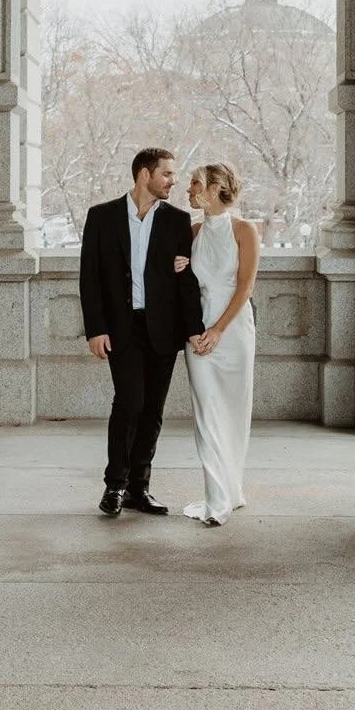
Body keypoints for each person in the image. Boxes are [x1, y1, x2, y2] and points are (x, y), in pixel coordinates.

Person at [78, 147, 204, 517]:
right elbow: (90, 278)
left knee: (152, 411)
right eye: (166, 174)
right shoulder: (101, 217)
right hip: (122, 328)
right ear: (144, 174)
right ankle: (114, 485)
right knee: (129, 403)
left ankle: (139, 488)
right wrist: (95, 329)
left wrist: (194, 330)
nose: (172, 181)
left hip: (163, 329)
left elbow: (186, 284)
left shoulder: (177, 220)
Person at [183, 163, 259, 526]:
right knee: (205, 414)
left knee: (233, 412)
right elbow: (178, 285)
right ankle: (216, 500)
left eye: (194, 183)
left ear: (214, 188)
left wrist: (218, 330)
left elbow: (245, 287)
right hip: (197, 334)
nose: (188, 190)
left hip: (234, 332)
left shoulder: (246, 230)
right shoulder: (192, 232)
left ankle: (231, 489)